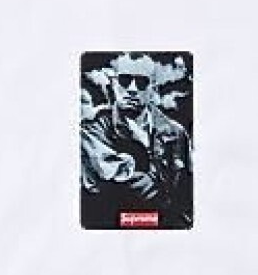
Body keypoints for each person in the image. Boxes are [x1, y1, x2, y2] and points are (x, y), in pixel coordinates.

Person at [80, 53, 193, 229]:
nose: (132, 89)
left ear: (153, 89)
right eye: (125, 81)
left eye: (142, 83)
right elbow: (134, 186)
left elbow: (186, 191)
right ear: (113, 84)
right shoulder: (94, 128)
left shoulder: (175, 133)